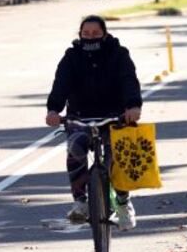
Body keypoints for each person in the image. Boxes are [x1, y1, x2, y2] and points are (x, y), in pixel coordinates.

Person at [45, 15, 142, 230]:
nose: (90, 37)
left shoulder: (119, 54)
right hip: (80, 117)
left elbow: (129, 81)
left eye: (96, 33)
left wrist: (133, 106)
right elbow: (61, 84)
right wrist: (53, 109)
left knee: (118, 155)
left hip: (114, 117)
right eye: (85, 34)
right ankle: (81, 202)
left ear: (105, 34)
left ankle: (124, 203)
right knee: (75, 148)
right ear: (80, 35)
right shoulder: (72, 57)